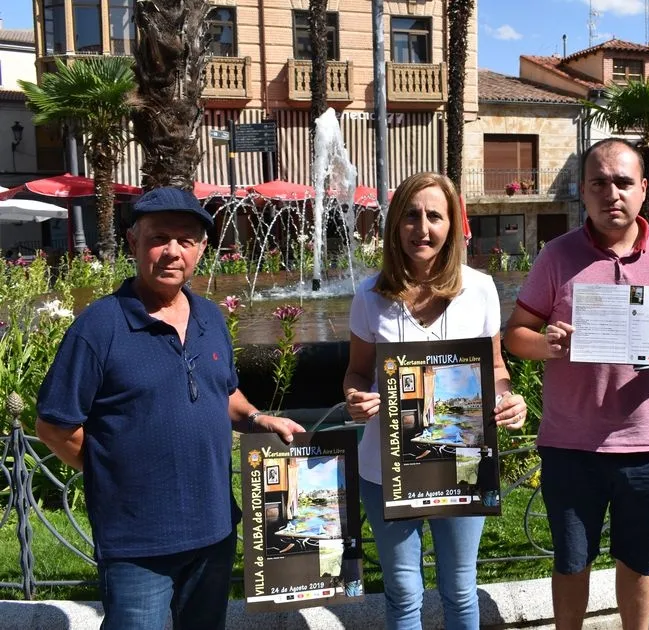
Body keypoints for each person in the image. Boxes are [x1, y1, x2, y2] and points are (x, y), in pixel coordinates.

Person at [35, 187, 305, 630]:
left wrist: (257, 417)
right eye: (160, 238)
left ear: (201, 249)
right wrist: (111, 471)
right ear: (133, 242)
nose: (172, 252)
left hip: (215, 530)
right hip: (138, 541)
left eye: (186, 240)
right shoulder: (99, 327)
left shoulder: (210, 318)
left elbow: (224, 392)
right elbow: (54, 426)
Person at [503, 138, 649, 630]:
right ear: (583, 190)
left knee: (640, 564)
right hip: (570, 444)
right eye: (599, 183)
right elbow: (516, 333)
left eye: (623, 182)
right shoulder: (557, 256)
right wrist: (547, 345)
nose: (612, 193)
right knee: (571, 562)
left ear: (644, 189)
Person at [343, 171, 527, 629]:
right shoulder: (369, 296)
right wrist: (354, 396)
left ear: (452, 225)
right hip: (385, 467)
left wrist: (508, 400)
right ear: (394, 225)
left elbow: (497, 370)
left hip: (461, 460)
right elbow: (358, 371)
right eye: (410, 215)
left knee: (460, 589)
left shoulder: (480, 289)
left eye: (434, 216)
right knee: (404, 593)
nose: (422, 228)